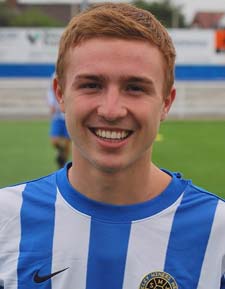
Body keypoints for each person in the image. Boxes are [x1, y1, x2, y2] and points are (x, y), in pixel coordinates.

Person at [0, 3, 225, 289]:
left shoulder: (218, 234)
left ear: (166, 102)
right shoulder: (5, 220)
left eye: (135, 88)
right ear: (60, 94)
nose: (111, 110)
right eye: (91, 84)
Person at [47, 73, 71, 168]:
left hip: (68, 114)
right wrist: (51, 104)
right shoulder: (54, 76)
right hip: (58, 114)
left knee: (67, 142)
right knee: (54, 141)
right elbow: (50, 92)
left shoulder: (71, 73)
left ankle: (62, 165)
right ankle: (60, 152)